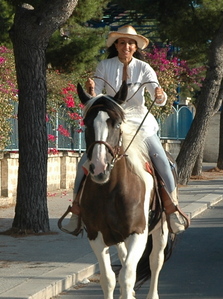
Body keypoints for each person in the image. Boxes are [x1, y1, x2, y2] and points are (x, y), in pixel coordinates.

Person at [63, 25, 188, 235]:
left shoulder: (145, 68)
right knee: (84, 163)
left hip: (140, 122)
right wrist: (93, 93)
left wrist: (160, 96)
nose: (126, 46)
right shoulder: (104, 65)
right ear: (116, 45)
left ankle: (171, 208)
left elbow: (157, 97)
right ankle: (76, 211)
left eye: (130, 43)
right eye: (122, 42)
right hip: (113, 121)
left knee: (161, 159)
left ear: (136, 46)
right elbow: (98, 98)